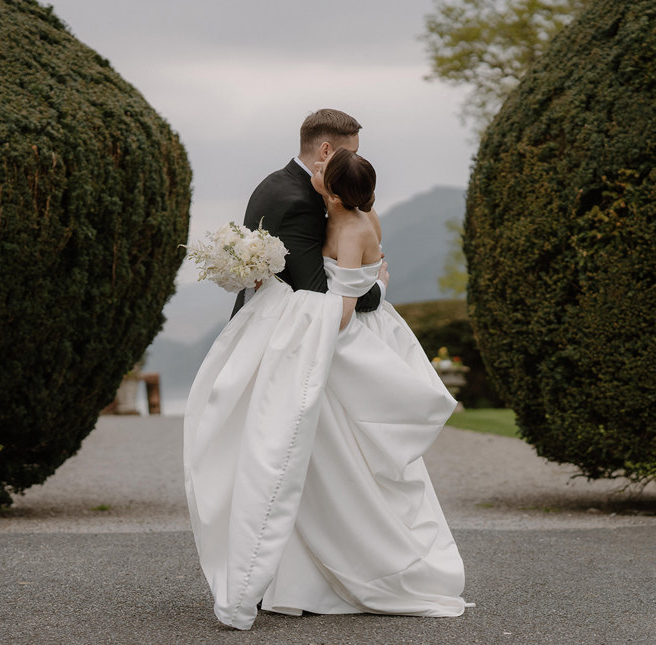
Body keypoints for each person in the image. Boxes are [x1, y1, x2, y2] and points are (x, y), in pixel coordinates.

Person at [184, 147, 468, 630]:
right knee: (329, 455)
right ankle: (305, 571)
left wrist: (289, 307)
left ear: (332, 193)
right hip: (353, 320)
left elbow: (340, 307)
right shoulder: (347, 212)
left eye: (324, 173)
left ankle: (362, 565)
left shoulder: (353, 226)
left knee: (340, 450)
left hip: (346, 334)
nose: (316, 173)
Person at [231, 108, 386, 317]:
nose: (354, 161)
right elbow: (317, 292)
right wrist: (377, 287)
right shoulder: (299, 204)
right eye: (351, 153)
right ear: (326, 151)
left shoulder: (277, 181)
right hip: (281, 328)